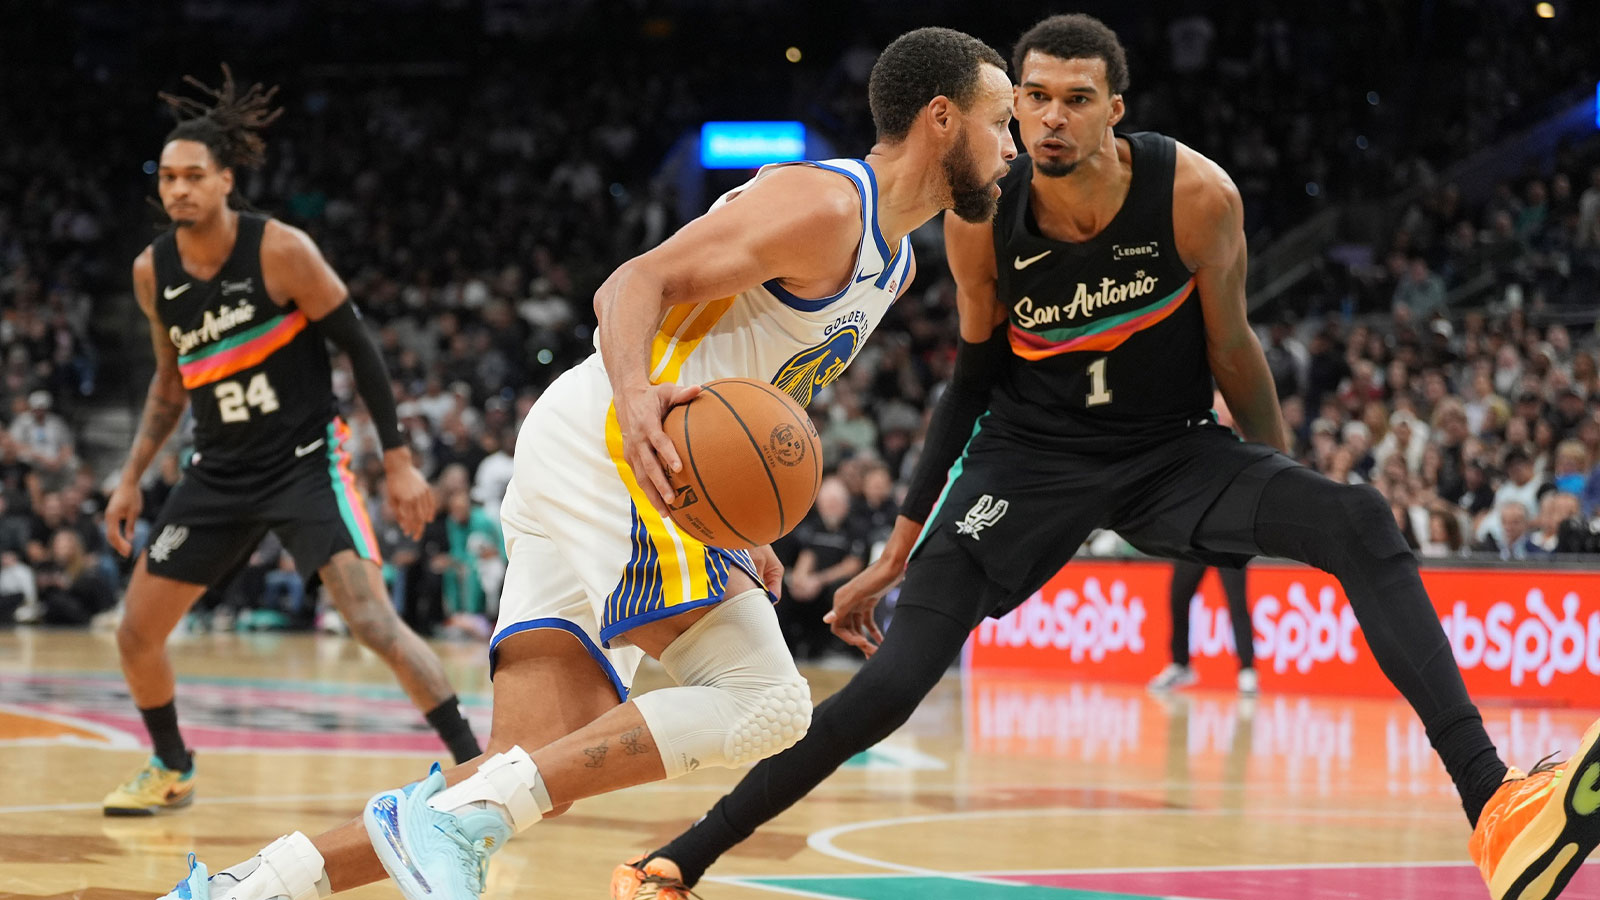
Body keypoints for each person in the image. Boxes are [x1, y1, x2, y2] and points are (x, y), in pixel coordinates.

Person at [620, 16, 1600, 900]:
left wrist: (1287, 483)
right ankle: (681, 858)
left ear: (1113, 111)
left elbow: (1232, 351)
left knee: (1356, 519)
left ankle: (1494, 807)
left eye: (1074, 99)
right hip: (1025, 462)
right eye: (1032, 97)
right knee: (889, 686)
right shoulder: (979, 220)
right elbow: (969, 378)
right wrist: (898, 545)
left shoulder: (1194, 196)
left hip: (1167, 454)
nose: (1047, 118)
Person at [156, 27, 1017, 900]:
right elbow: (631, 285)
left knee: (524, 771)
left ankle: (244, 890)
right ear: (941, 119)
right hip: (624, 438)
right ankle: (449, 825)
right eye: (1002, 123)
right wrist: (641, 400)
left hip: (616, 448)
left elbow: (766, 388)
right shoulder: (828, 205)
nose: (1014, 148)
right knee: (767, 701)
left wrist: (741, 523)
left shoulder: (897, 262)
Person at [102, 67, 481, 816]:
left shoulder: (280, 250)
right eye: (167, 177)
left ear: (225, 180)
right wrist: (129, 477)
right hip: (217, 473)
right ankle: (172, 765)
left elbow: (361, 347)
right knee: (135, 633)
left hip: (306, 463)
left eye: (192, 176)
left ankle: (479, 762)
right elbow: (170, 383)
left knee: (372, 621)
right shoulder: (154, 272)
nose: (177, 189)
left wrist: (397, 460)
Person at [1147, 561, 1255, 694]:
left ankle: (1247, 669)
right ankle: (1181, 664)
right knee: (1178, 597)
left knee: (1237, 602)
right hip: (1197, 544)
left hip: (1228, 543)